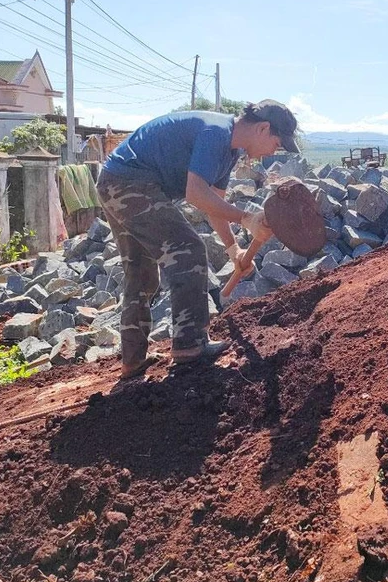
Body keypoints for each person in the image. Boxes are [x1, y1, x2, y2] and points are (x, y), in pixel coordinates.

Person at [96, 100, 299, 379]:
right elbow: (195, 194)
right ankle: (190, 346)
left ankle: (133, 360)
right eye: (277, 144)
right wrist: (247, 218)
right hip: (130, 182)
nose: (273, 152)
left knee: (141, 273)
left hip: (115, 181)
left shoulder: (230, 149)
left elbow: (213, 204)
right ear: (263, 128)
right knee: (188, 250)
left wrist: (234, 250)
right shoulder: (216, 133)